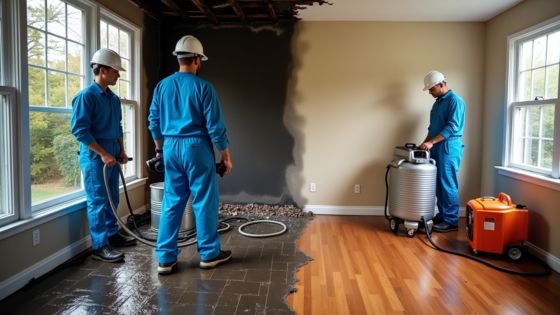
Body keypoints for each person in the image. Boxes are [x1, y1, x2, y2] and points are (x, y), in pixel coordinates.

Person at [148, 35, 233, 275]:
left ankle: (165, 259)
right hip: (197, 148)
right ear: (197, 59)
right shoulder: (204, 88)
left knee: (172, 202)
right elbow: (216, 128)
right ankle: (209, 254)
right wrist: (225, 156)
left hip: (170, 147)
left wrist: (159, 148)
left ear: (178, 58)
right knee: (204, 201)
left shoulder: (162, 86)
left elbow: (154, 121)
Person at [71, 48, 137, 263]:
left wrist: (122, 151)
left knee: (113, 198)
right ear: (102, 70)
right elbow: (80, 131)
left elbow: (117, 127)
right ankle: (100, 246)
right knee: (98, 200)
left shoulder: (113, 99)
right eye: (116, 71)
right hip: (94, 156)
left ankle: (111, 234)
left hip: (112, 153)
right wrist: (104, 154)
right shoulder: (85, 97)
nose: (119, 75)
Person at [418, 70, 465, 233]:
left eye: (431, 89)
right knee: (437, 182)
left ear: (440, 84)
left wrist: (431, 142)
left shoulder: (455, 101)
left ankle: (451, 220)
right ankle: (443, 215)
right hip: (436, 145)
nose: (430, 92)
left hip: (449, 146)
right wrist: (424, 143)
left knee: (447, 182)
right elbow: (433, 128)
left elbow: (452, 127)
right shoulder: (437, 103)